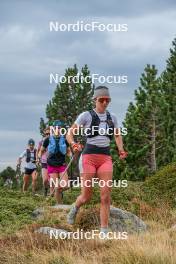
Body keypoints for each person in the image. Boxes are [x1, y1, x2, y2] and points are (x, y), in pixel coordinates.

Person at [66, 86, 128, 237]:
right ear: (95, 100)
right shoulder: (86, 116)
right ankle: (75, 207)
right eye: (102, 100)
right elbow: (69, 133)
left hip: (105, 159)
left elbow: (117, 135)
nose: (105, 103)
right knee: (86, 196)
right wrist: (73, 144)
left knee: (105, 196)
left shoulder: (112, 117)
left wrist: (121, 149)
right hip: (88, 158)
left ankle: (104, 231)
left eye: (108, 100)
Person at [38, 120, 71, 204]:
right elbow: (41, 150)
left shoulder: (64, 139)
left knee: (66, 185)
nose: (57, 129)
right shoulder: (47, 140)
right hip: (51, 165)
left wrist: (70, 155)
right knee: (56, 186)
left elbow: (68, 151)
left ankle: (58, 191)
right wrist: (39, 157)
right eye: (55, 128)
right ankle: (59, 205)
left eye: (59, 128)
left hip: (61, 165)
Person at [37, 127, 50, 196]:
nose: (48, 135)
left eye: (49, 134)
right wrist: (38, 159)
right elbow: (38, 151)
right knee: (45, 180)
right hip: (44, 162)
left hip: (52, 162)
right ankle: (45, 190)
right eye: (46, 134)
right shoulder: (41, 142)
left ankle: (53, 193)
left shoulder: (53, 141)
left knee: (52, 180)